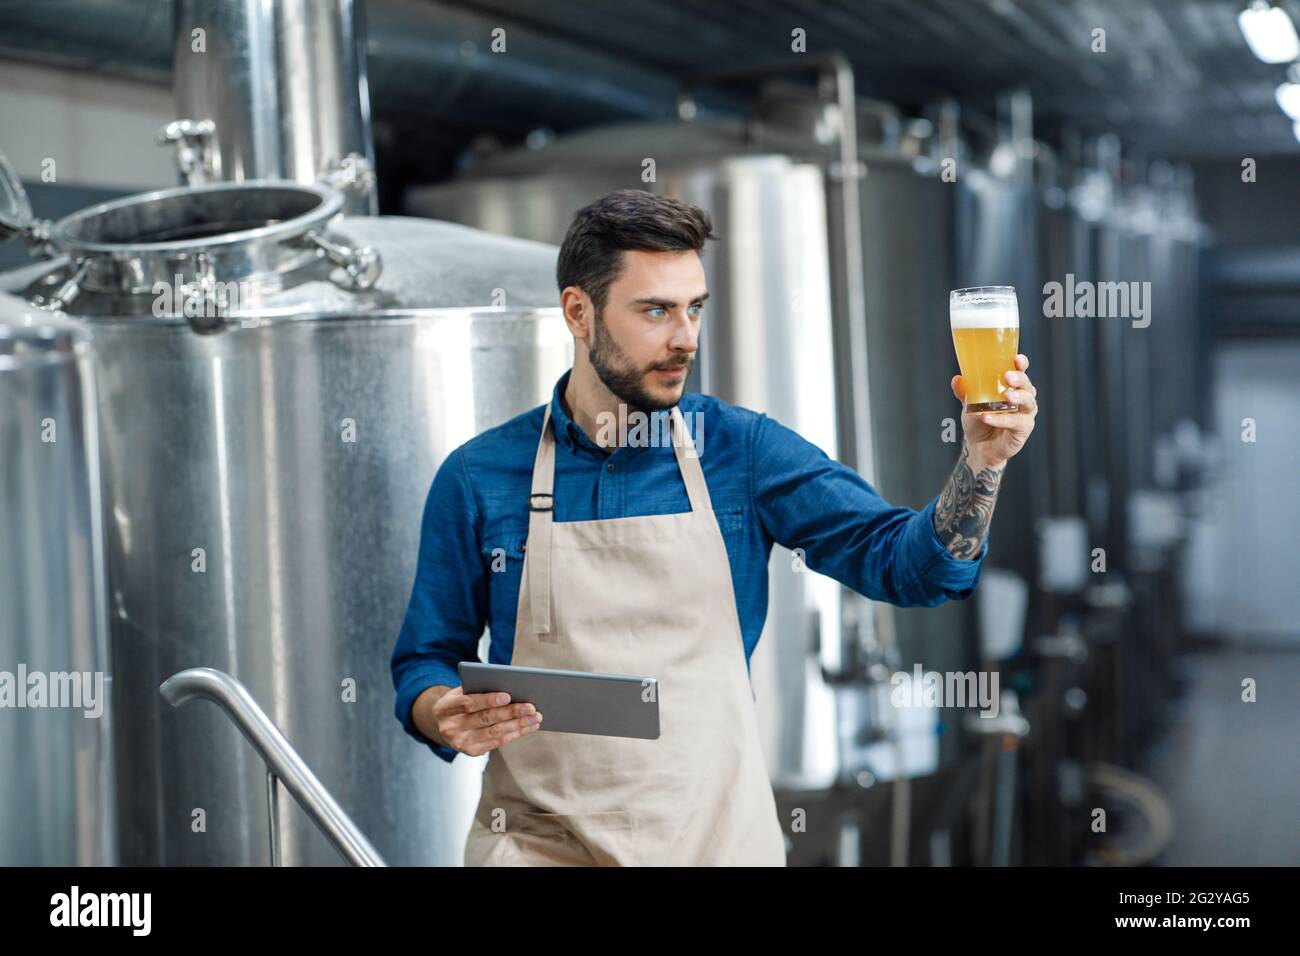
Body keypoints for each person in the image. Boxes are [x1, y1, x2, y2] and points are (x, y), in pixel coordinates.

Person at [390, 188, 1038, 866]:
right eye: (656, 311)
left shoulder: (742, 451)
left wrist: (982, 462)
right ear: (579, 313)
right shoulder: (479, 476)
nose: (685, 338)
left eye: (694, 307)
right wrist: (438, 710)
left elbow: (914, 570)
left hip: (713, 844)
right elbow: (424, 658)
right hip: (537, 847)